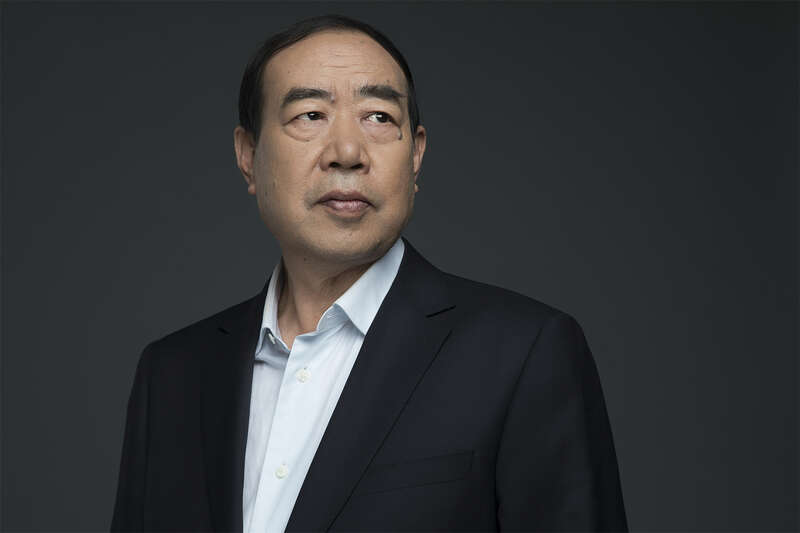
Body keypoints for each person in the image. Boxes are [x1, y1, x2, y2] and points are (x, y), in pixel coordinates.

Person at [110, 14, 628, 533]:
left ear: (416, 155)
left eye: (379, 117)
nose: (348, 153)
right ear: (249, 156)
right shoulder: (172, 374)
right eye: (310, 115)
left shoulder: (524, 353)